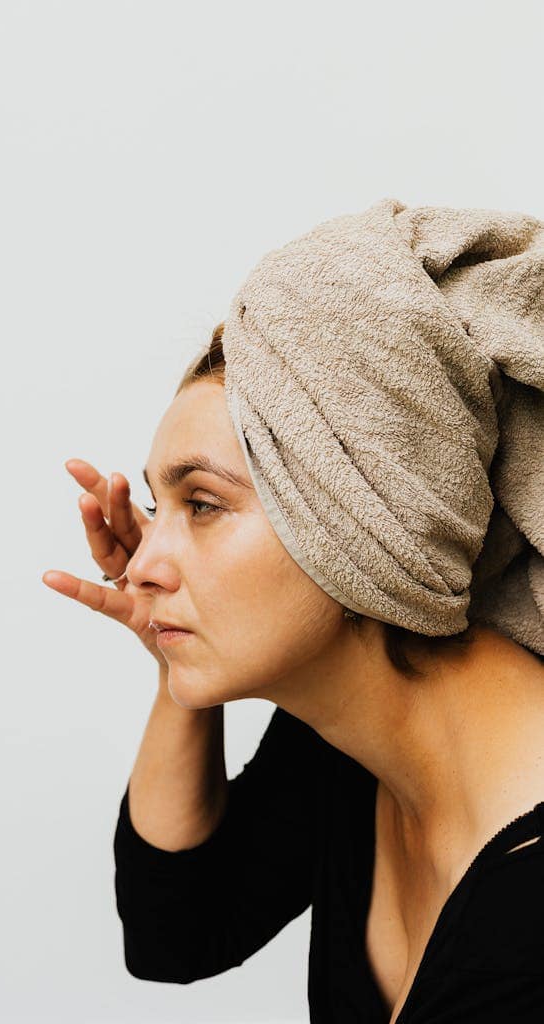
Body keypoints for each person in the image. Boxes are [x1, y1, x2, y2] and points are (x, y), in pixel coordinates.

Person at [42, 200, 544, 1022]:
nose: (146, 566)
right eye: (158, 509)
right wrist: (172, 655)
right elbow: (178, 931)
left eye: (201, 504)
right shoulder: (358, 731)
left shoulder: (527, 936)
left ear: (362, 518)